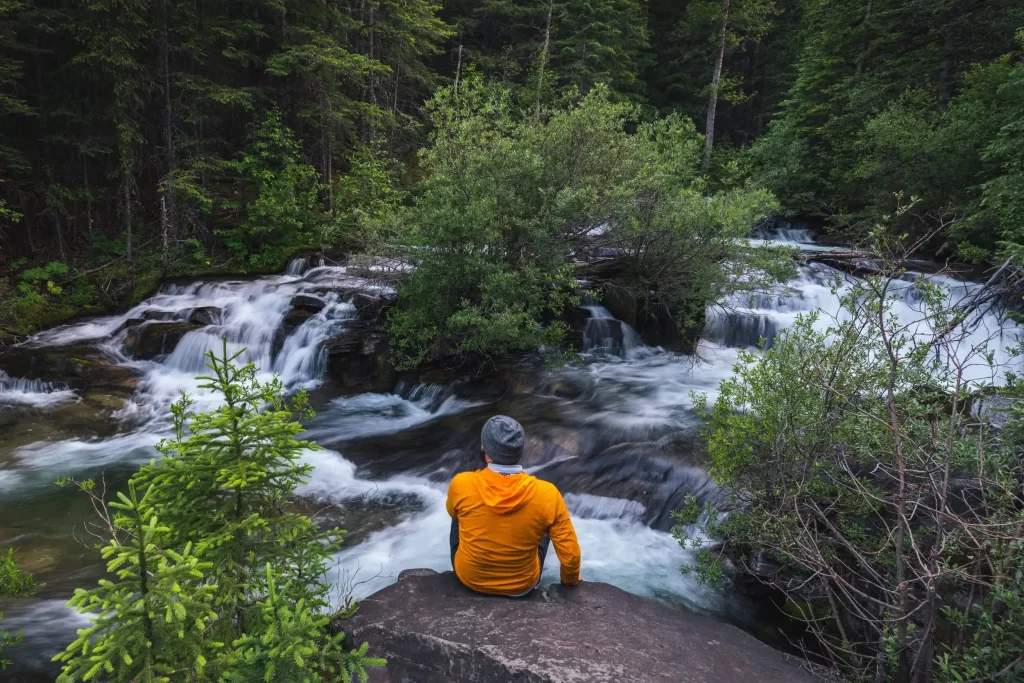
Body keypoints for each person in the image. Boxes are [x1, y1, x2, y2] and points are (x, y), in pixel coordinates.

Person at [446, 415, 582, 596]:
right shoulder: (547, 493)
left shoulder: (461, 483)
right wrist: (570, 580)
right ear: (520, 452)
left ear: (485, 452)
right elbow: (570, 554)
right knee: (544, 519)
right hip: (522, 586)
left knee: (458, 513)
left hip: (470, 579)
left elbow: (450, 511)